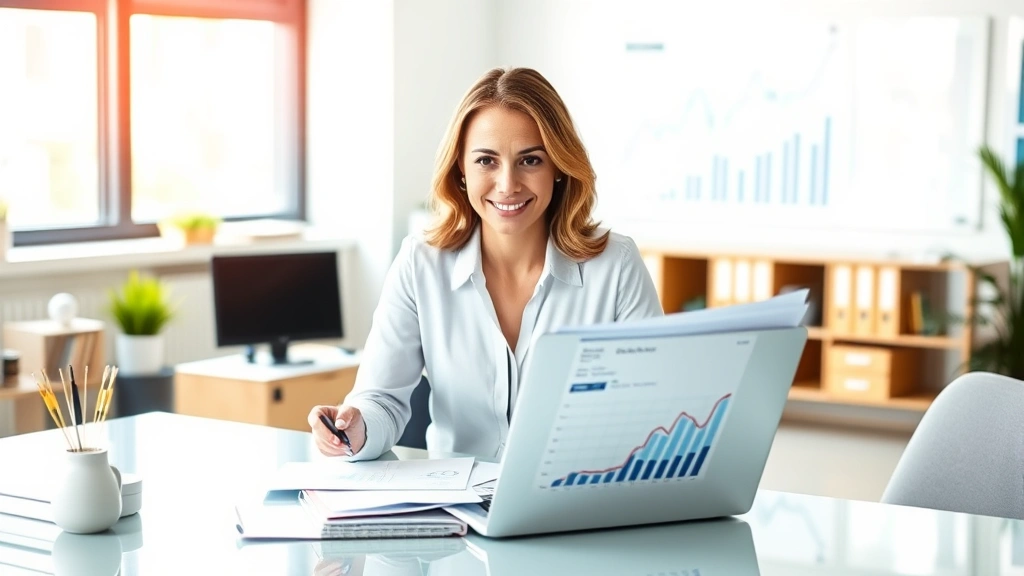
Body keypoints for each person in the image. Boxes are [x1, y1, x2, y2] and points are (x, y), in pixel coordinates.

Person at [308, 66, 663, 461]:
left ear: (559, 168)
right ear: (460, 167)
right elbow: (381, 401)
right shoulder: (420, 264)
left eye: (530, 160)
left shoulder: (615, 265)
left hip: (577, 501)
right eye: (486, 161)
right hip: (458, 510)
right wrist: (355, 427)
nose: (508, 184)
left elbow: (652, 406)